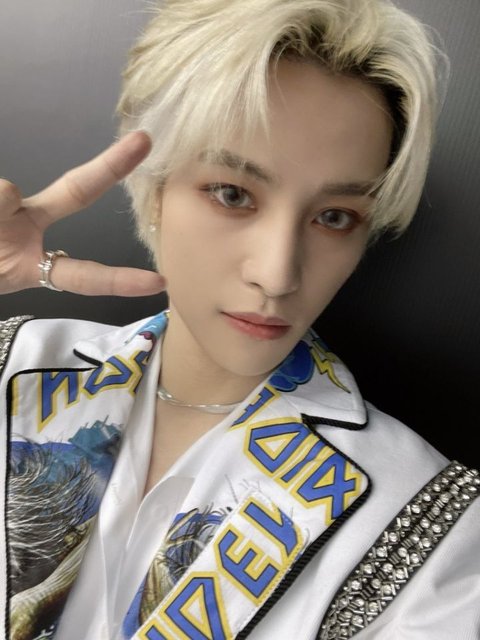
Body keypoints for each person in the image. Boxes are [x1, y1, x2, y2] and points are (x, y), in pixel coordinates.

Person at [0, 1, 479, 638]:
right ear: (155, 189)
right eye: (233, 193)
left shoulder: (428, 525)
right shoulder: (15, 363)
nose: (278, 275)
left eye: (335, 217)